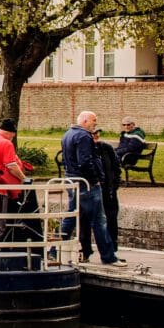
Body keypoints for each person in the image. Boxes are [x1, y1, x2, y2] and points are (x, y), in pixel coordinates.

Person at [60, 111, 125, 266]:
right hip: (86, 183)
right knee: (99, 219)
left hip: (72, 179)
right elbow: (85, 161)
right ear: (84, 121)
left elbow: (66, 159)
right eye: (93, 120)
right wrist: (95, 179)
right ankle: (108, 256)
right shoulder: (83, 136)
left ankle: (56, 250)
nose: (95, 123)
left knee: (71, 215)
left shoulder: (68, 134)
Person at [93, 127, 122, 253]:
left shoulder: (106, 148)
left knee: (111, 217)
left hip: (109, 190)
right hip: (93, 190)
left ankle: (112, 248)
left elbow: (116, 167)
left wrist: (114, 185)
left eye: (98, 132)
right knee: (90, 219)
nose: (96, 135)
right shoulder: (86, 149)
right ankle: (87, 249)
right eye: (93, 133)